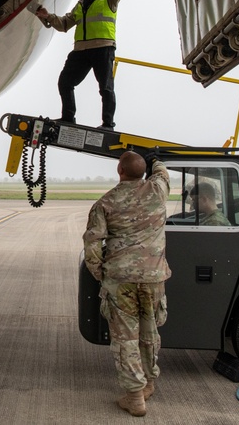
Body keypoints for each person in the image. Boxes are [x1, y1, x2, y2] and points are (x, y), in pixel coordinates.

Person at [83, 151, 169, 417]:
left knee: (125, 338)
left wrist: (101, 273)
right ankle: (149, 383)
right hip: (153, 278)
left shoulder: (105, 203)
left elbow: (92, 244)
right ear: (143, 172)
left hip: (120, 281)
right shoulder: (157, 191)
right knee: (150, 332)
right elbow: (163, 175)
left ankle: (135, 396)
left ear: (119, 171)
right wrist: (155, 160)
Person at [36, 0, 127, 130]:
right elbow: (64, 24)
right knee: (65, 82)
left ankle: (108, 124)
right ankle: (68, 117)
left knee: (105, 87)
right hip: (81, 50)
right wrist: (47, 16)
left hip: (103, 47)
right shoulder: (82, 2)